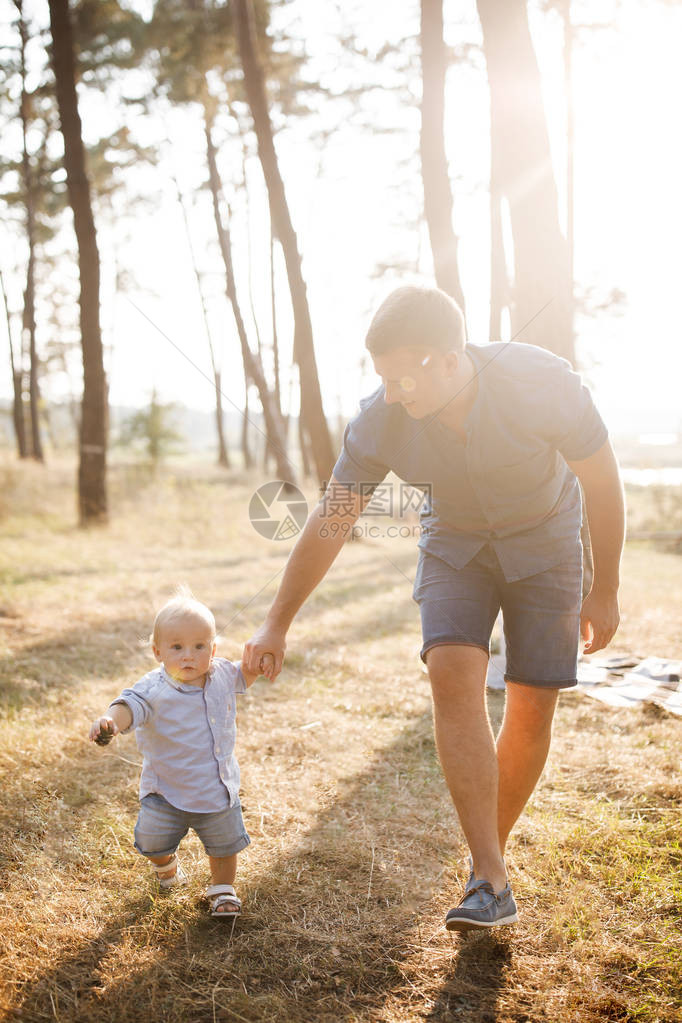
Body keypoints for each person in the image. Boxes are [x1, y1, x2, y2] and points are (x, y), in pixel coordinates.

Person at [243, 285, 625, 931]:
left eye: (403, 378)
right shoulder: (380, 418)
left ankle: (483, 864)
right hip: (455, 541)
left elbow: (601, 477)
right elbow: (335, 517)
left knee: (531, 704)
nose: (392, 394)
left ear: (450, 359)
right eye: (382, 380)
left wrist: (606, 585)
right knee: (451, 673)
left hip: (549, 536)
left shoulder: (541, 381)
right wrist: (277, 618)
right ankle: (492, 879)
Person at [89, 588, 273, 918]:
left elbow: (246, 674)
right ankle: (167, 867)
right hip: (166, 791)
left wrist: (259, 663)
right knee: (152, 842)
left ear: (213, 649)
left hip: (216, 789)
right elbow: (128, 705)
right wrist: (111, 722)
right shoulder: (154, 688)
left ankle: (222, 890)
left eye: (199, 646)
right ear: (158, 651)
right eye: (177, 647)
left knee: (225, 844)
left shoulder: (221, 675)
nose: (188, 656)